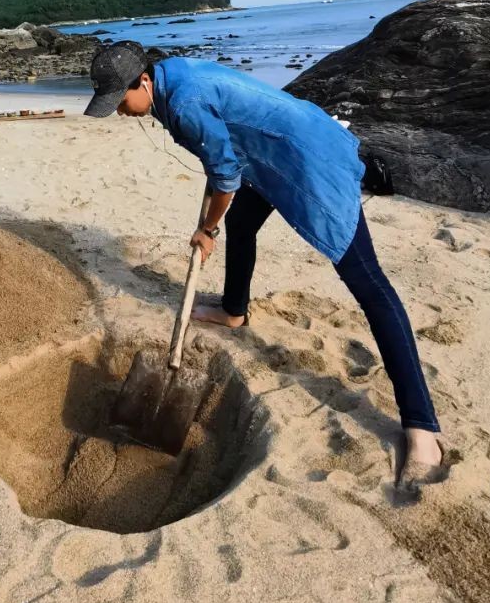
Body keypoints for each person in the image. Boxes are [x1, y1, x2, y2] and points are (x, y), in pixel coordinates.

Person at [84, 41, 444, 483]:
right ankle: (233, 310)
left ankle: (421, 427)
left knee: (369, 284)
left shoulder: (184, 102)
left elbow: (225, 178)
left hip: (304, 157)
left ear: (143, 80)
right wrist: (219, 184)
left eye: (120, 100)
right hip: (269, 151)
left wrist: (207, 231)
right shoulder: (168, 78)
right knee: (243, 223)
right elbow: (222, 148)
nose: (119, 111)